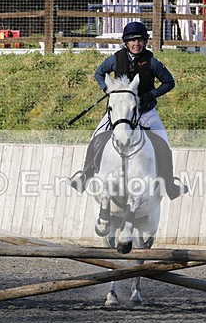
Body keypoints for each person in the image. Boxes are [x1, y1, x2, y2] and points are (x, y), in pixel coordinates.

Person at [69, 21, 187, 199]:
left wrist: (152, 94)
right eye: (132, 40)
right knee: (96, 138)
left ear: (144, 42)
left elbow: (170, 82)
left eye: (139, 40)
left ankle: (170, 184)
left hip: (145, 111)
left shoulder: (152, 61)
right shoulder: (116, 59)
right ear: (126, 42)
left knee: (164, 143)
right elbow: (99, 73)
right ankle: (85, 176)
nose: (136, 44)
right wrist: (108, 89)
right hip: (120, 113)